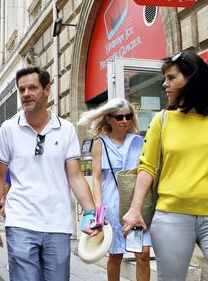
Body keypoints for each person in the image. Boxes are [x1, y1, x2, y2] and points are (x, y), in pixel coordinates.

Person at [122, 50, 208, 281]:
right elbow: (147, 167)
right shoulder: (162, 120)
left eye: (171, 78)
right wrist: (135, 209)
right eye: (165, 79)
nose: (165, 84)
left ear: (191, 78)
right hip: (171, 216)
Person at [0, 66, 99, 281]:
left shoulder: (65, 129)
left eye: (32, 88)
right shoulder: (9, 129)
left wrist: (92, 214)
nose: (26, 94)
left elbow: (75, 176)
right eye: (21, 89)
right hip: (20, 222)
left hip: (57, 223)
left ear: (47, 89)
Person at [78, 98, 150, 281]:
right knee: (116, 254)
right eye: (119, 117)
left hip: (136, 203)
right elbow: (96, 177)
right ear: (109, 119)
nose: (124, 120)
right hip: (112, 205)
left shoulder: (139, 141)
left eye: (128, 116)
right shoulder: (100, 144)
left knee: (143, 253)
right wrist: (99, 208)